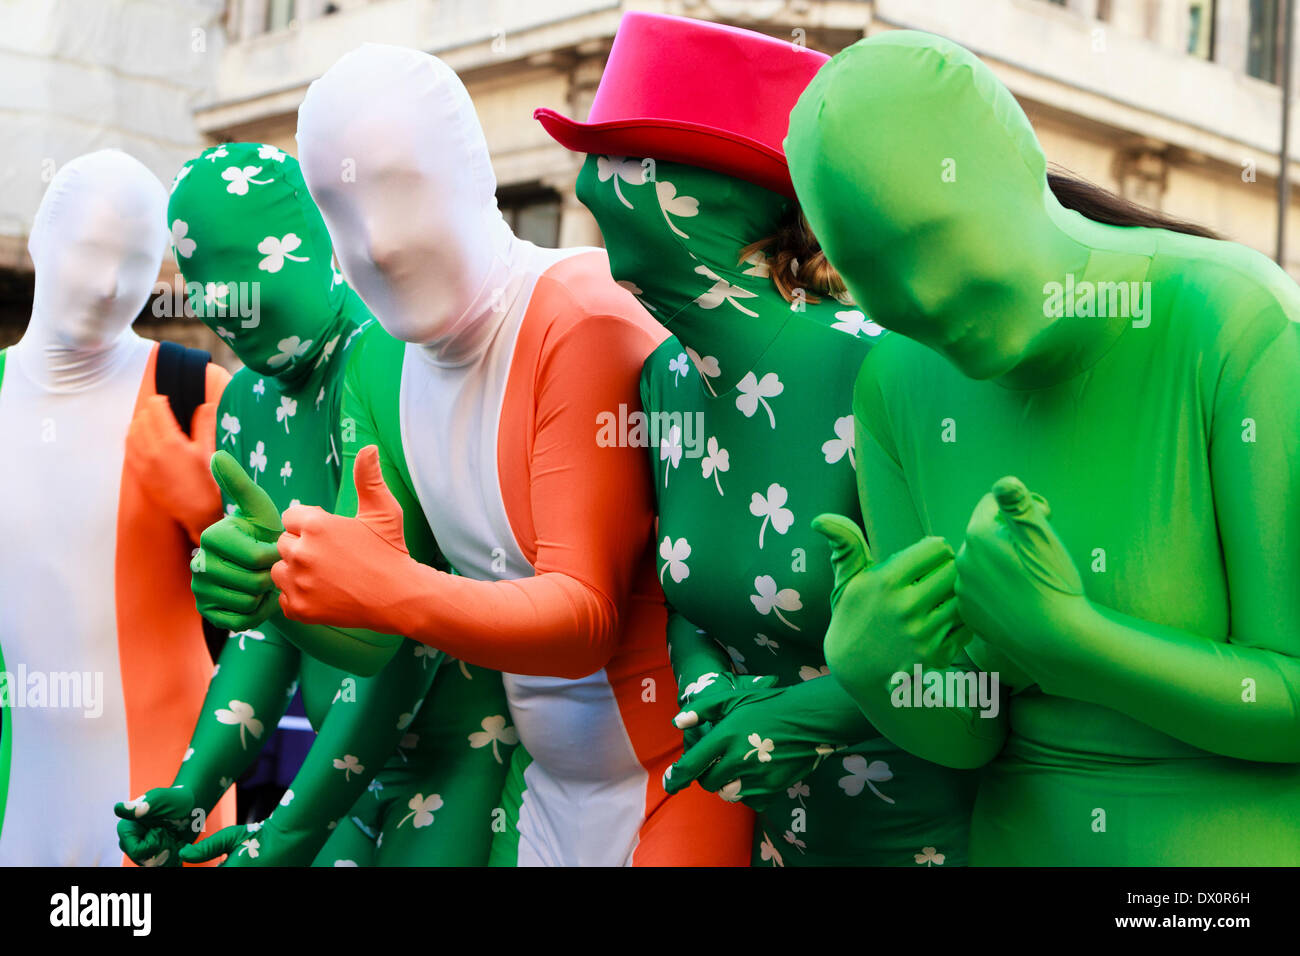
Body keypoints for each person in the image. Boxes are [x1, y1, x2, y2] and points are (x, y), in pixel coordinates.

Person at [191, 45, 754, 866]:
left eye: (402, 190)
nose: (376, 246)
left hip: (675, 780)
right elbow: (387, 639)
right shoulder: (384, 360)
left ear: (470, 175)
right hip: (540, 785)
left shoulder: (580, 319)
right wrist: (284, 588)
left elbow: (583, 622)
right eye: (339, 210)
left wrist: (385, 586)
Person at [788, 30, 1300, 865]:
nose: (920, 295)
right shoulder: (894, 384)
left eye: (933, 237)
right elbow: (972, 737)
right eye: (872, 268)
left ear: (1015, 171)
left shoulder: (1236, 322)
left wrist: (1074, 643)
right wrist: (888, 673)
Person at [535, 11, 979, 866]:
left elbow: (983, 645)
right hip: (779, 847)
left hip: (942, 841)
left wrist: (802, 720)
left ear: (723, 192)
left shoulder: (886, 369)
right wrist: (705, 686)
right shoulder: (663, 378)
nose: (594, 181)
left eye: (628, 155)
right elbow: (683, 591)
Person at [116, 143, 514, 866]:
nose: (226, 311)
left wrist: (291, 828)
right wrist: (194, 790)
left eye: (245, 278)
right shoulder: (243, 400)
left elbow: (404, 629)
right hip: (342, 771)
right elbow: (267, 628)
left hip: (459, 755)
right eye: (205, 289)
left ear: (317, 244)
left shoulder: (386, 357)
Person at [0, 149, 233, 865]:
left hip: (164, 797)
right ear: (40, 237)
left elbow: (274, 613)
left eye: (137, 262)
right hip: (19, 790)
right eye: (90, 253)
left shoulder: (194, 391)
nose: (109, 285)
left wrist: (209, 520)